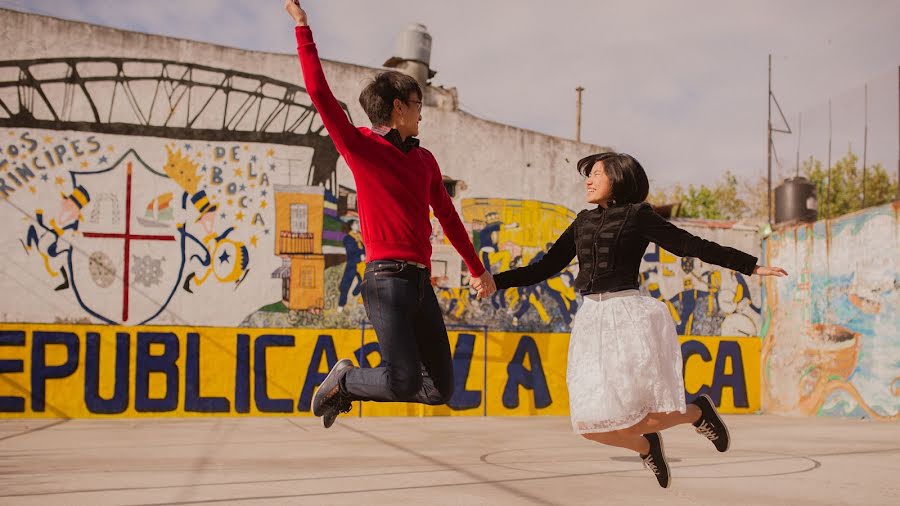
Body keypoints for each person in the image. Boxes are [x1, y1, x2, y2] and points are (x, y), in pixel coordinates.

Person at [493, 152, 787, 488]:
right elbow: (543, 268)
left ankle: (697, 412)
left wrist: (750, 266)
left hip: (627, 318)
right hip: (591, 321)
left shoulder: (638, 216)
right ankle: (646, 447)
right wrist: (495, 280)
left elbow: (690, 245)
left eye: (596, 174)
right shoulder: (582, 222)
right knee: (589, 425)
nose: (588, 180)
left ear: (617, 179)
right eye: (587, 175)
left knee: (639, 414)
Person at [283, 0, 496, 429]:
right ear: (398, 108)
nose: (422, 113)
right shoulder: (361, 147)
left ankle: (347, 383)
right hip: (386, 281)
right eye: (417, 104)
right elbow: (320, 95)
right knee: (400, 382)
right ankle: (344, 380)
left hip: (420, 283)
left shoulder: (426, 162)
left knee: (438, 389)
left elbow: (450, 218)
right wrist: (303, 28)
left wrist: (478, 269)